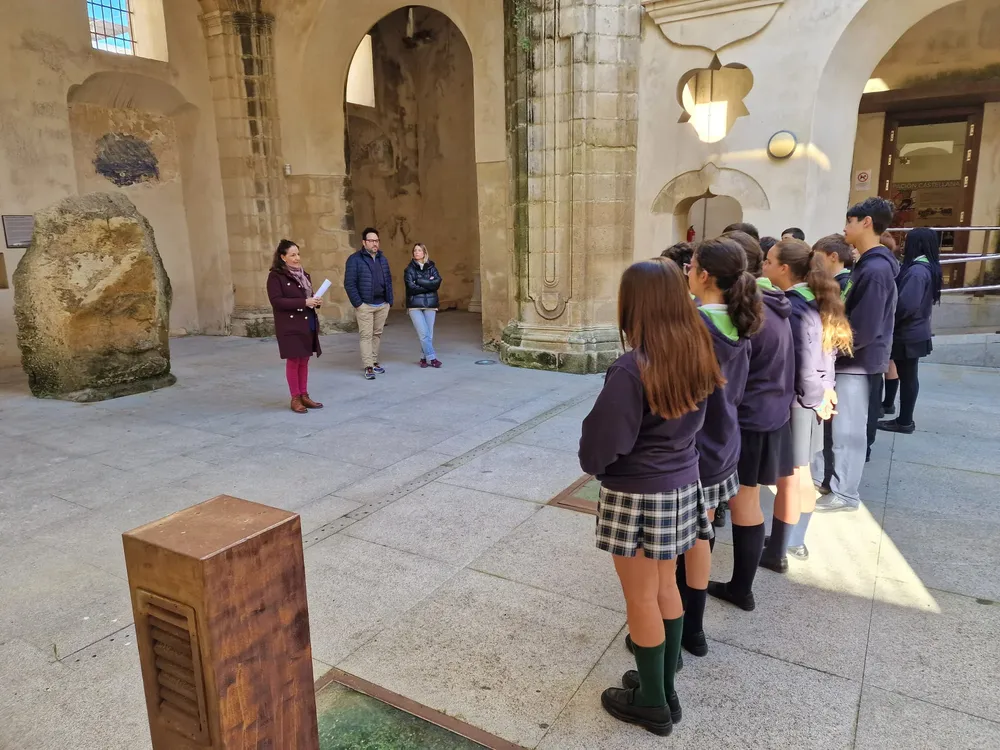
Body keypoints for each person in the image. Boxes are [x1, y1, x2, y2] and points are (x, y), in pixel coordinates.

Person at [579, 258, 724, 737]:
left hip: (639, 491)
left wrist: (596, 464)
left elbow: (604, 443)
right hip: (683, 483)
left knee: (640, 597)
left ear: (634, 306)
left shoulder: (631, 368)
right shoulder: (699, 352)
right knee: (665, 587)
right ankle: (663, 674)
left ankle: (654, 704)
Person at [708, 231, 794, 611]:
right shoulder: (773, 304)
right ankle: (741, 588)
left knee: (716, 507)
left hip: (748, 421)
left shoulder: (747, 313)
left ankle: (710, 591)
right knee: (747, 503)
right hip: (770, 416)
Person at [759, 239, 852, 566]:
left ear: (784, 268)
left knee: (793, 477)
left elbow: (804, 363)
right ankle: (791, 538)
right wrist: (825, 392)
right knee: (801, 473)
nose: (764, 266)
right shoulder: (811, 300)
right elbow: (825, 357)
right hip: (811, 401)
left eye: (769, 261)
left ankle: (783, 547)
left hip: (800, 403)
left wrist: (817, 397)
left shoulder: (796, 307)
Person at [813, 197, 899, 513]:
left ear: (866, 223)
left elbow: (866, 325)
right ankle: (834, 486)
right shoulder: (867, 263)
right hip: (850, 360)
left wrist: (832, 350)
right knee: (839, 427)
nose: (845, 227)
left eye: (850, 221)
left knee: (849, 430)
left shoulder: (876, 269)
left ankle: (846, 494)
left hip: (858, 363)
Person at [878, 228, 942, 435]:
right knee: (909, 376)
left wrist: (888, 320)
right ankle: (904, 419)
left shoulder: (917, 271)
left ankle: (904, 421)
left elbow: (906, 305)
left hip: (908, 333)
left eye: (908, 241)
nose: (904, 245)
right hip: (915, 331)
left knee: (908, 377)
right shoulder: (926, 268)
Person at [811, 234, 855, 494]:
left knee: (830, 433)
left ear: (832, 257)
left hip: (830, 366)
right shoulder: (839, 283)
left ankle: (827, 478)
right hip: (828, 369)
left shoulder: (842, 284)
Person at [266, 240, 324, 413]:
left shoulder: (304, 275)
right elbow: (276, 301)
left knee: (304, 359)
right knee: (294, 360)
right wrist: (304, 302)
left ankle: (304, 395)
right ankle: (295, 397)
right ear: (283, 257)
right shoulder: (276, 276)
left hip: (306, 321)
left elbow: (308, 296)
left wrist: (315, 301)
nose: (297, 258)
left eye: (298, 254)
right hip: (289, 325)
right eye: (292, 255)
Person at [344, 227, 394, 380]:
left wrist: (389, 301)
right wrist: (358, 304)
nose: (374, 243)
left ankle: (374, 361)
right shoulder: (355, 259)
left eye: (376, 240)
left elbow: (388, 280)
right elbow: (349, 284)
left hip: (382, 304)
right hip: (365, 305)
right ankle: (368, 366)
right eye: (371, 240)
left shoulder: (382, 259)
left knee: (377, 334)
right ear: (364, 242)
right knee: (366, 335)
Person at [404, 243, 443, 368]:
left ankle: (422, 358)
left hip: (430, 304)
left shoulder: (432, 267)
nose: (416, 252)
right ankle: (432, 358)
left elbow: (437, 283)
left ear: (424, 253)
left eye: (419, 250)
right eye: (415, 250)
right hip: (414, 305)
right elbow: (411, 288)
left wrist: (419, 281)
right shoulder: (409, 269)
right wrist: (428, 284)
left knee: (429, 334)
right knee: (423, 333)